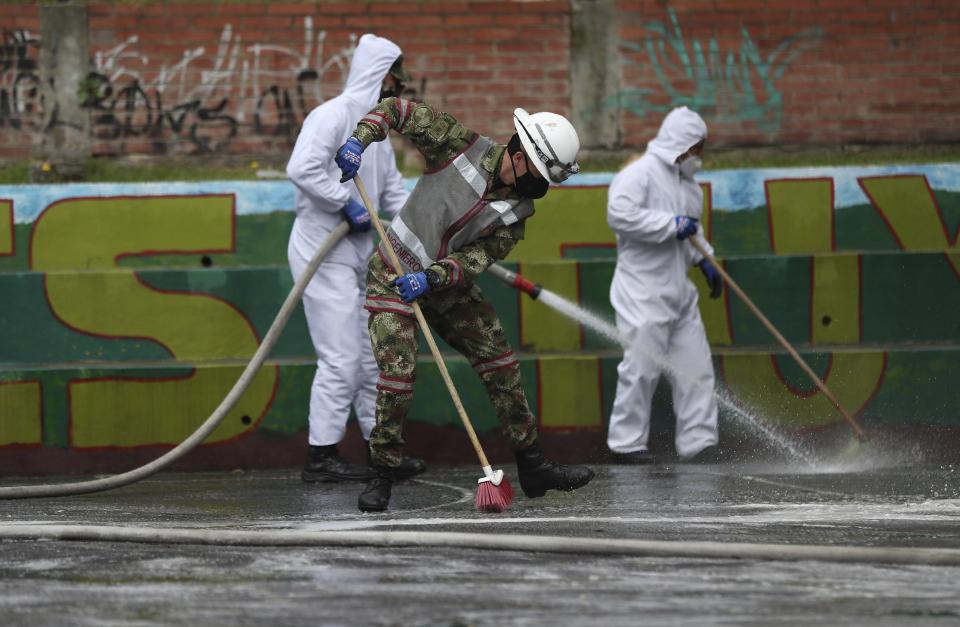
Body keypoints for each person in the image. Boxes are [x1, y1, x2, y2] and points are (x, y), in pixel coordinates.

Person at [335, 97, 596, 512]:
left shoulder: (518, 214)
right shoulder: (457, 145)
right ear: (521, 154)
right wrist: (359, 140)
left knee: (500, 363)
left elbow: (473, 260)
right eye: (542, 173)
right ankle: (382, 472)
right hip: (392, 272)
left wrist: (432, 278)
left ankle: (532, 464)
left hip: (441, 284)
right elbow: (397, 110)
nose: (542, 186)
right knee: (398, 377)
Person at [286, 34, 426, 483]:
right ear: (378, 77)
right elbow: (301, 168)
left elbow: (392, 192)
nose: (398, 91)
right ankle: (321, 455)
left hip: (360, 254)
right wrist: (341, 201)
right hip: (321, 250)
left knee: (368, 358)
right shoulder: (331, 116)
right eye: (393, 82)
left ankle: (379, 449)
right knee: (341, 358)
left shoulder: (377, 134)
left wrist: (415, 232)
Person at [605, 106, 724, 465]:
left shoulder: (689, 186)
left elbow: (693, 231)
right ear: (681, 144)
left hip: (679, 290)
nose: (700, 157)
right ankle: (626, 444)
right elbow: (620, 216)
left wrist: (705, 259)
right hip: (642, 290)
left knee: (696, 367)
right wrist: (670, 224)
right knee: (641, 368)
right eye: (697, 148)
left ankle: (699, 442)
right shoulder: (638, 175)